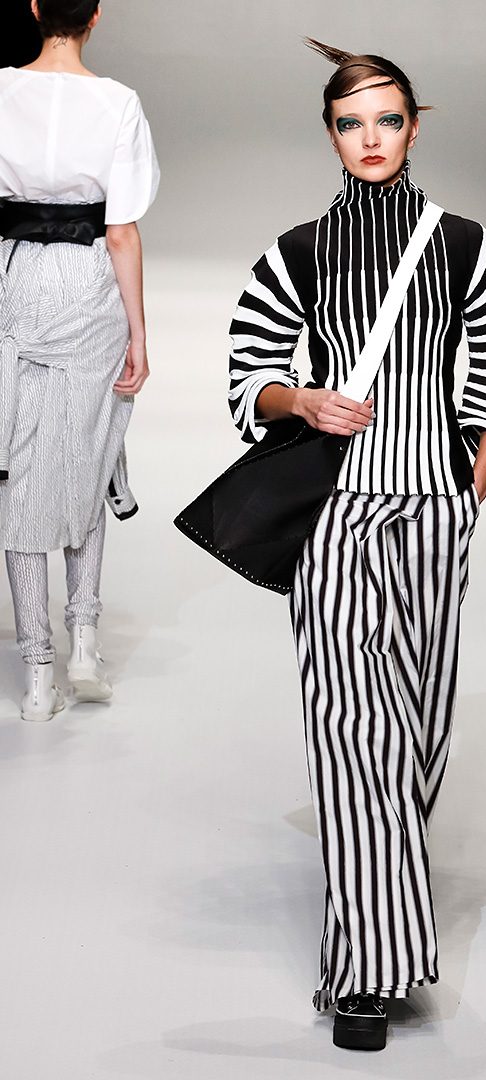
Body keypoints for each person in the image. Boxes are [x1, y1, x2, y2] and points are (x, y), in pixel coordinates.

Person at [227, 38, 486, 1051]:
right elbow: (248, 372)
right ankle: (366, 972)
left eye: (388, 119)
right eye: (351, 122)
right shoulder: (298, 250)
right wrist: (303, 399)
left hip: (435, 513)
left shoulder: (467, 244)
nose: (371, 138)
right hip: (338, 514)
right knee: (355, 730)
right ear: (329, 134)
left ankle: (380, 896)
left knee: (418, 733)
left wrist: (478, 470)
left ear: (413, 127)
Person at [0, 1, 159, 720]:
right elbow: (121, 229)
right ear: (96, 15)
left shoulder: (2, 93)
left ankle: (38, 675)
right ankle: (84, 643)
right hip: (91, 282)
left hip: (17, 282)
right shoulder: (117, 102)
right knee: (87, 453)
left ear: (35, 8)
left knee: (21, 468)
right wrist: (139, 333)